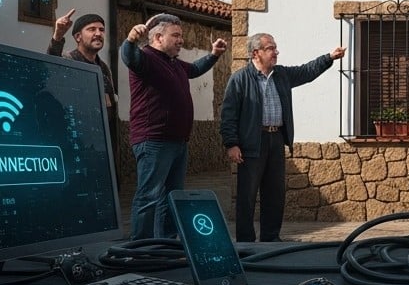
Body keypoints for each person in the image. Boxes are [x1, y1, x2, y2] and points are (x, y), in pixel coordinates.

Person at [219, 34, 345, 242]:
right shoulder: (240, 79)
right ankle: (245, 241)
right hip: (252, 142)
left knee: (275, 193)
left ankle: (270, 237)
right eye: (270, 48)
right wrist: (231, 144)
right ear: (255, 53)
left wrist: (329, 57)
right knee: (247, 196)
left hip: (276, 139)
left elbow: (306, 71)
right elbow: (228, 114)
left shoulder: (282, 75)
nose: (276, 52)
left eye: (275, 48)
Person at [121, 13, 226, 240]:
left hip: (178, 142)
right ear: (158, 37)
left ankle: (166, 244)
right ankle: (140, 247)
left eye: (181, 36)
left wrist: (214, 55)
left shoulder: (174, 63)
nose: (181, 40)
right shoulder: (145, 58)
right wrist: (130, 40)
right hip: (154, 141)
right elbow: (128, 57)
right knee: (149, 195)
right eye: (176, 35)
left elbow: (195, 69)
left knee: (171, 197)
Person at [48, 8, 117, 113]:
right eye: (92, 29)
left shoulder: (104, 68)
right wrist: (58, 36)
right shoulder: (68, 60)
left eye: (101, 30)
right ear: (78, 37)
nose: (98, 33)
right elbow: (51, 64)